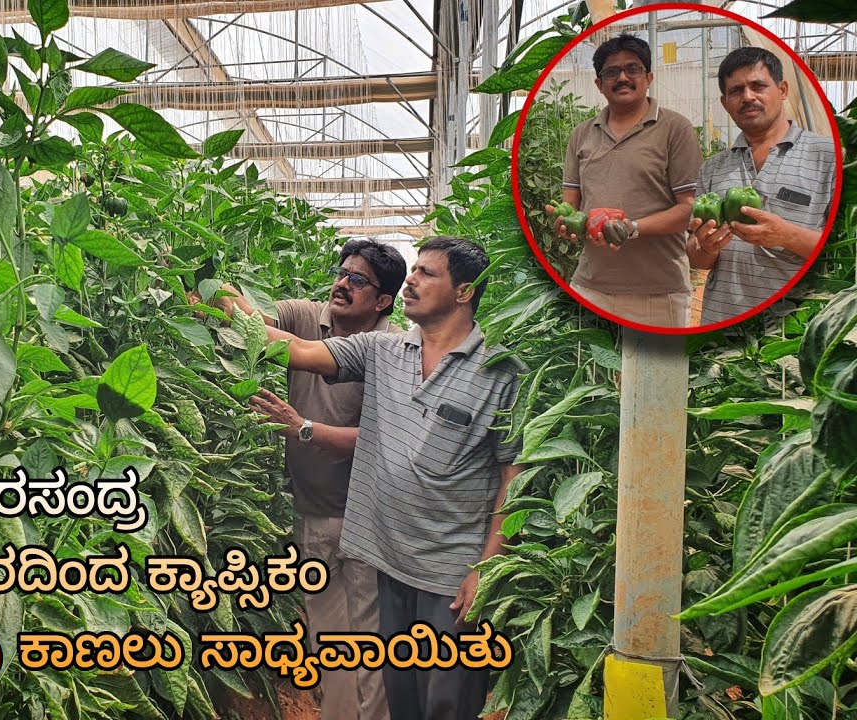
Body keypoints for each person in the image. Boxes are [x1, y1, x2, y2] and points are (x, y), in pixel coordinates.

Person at [264, 237, 524, 720]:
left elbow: (513, 474)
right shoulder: (382, 350)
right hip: (387, 562)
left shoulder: (500, 372)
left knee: (446, 702)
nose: (412, 280)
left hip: (450, 572)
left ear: (464, 292)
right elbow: (298, 350)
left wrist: (486, 568)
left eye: (427, 273)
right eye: (413, 270)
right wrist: (208, 291)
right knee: (401, 696)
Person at [211, 238, 406, 720]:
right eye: (342, 273)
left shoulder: (396, 348)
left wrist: (303, 428)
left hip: (371, 523)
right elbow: (251, 322)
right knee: (331, 645)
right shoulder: (306, 315)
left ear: (383, 301)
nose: (342, 283)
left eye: (358, 280)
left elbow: (384, 438)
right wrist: (205, 281)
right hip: (315, 515)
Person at [547, 33, 704, 327]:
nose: (622, 77)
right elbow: (572, 205)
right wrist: (566, 222)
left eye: (632, 69)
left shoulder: (674, 129)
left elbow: (689, 208)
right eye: (611, 72)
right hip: (591, 287)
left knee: (658, 373)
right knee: (592, 373)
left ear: (649, 77)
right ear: (599, 84)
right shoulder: (582, 134)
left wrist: (632, 228)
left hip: (659, 292)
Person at [686, 46, 836, 324]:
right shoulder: (713, 167)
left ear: (782, 90)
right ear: (724, 102)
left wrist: (786, 235)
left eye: (758, 86)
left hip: (793, 331)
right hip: (722, 323)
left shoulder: (829, 157)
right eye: (736, 91)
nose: (748, 97)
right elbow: (697, 258)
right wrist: (706, 247)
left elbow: (843, 252)